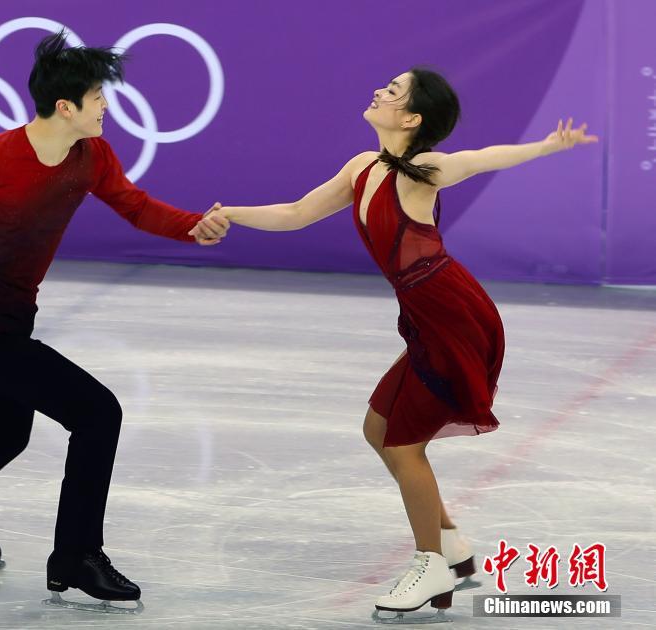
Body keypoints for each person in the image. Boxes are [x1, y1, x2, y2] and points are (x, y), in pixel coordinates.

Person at [191, 67, 596, 619]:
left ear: (411, 119)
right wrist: (229, 215)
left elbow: (483, 158)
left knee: (404, 445)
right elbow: (296, 213)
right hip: (425, 316)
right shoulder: (363, 166)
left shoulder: (425, 171)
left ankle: (432, 564)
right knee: (378, 428)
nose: (380, 91)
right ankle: (449, 543)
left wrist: (548, 146)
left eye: (394, 91)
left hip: (453, 316)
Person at [0, 30, 229, 610]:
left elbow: (135, 205)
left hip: (16, 323)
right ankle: (76, 557)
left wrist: (192, 226)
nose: (106, 106)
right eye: (98, 97)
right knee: (98, 413)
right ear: (66, 106)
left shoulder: (91, 157)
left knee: (6, 433)